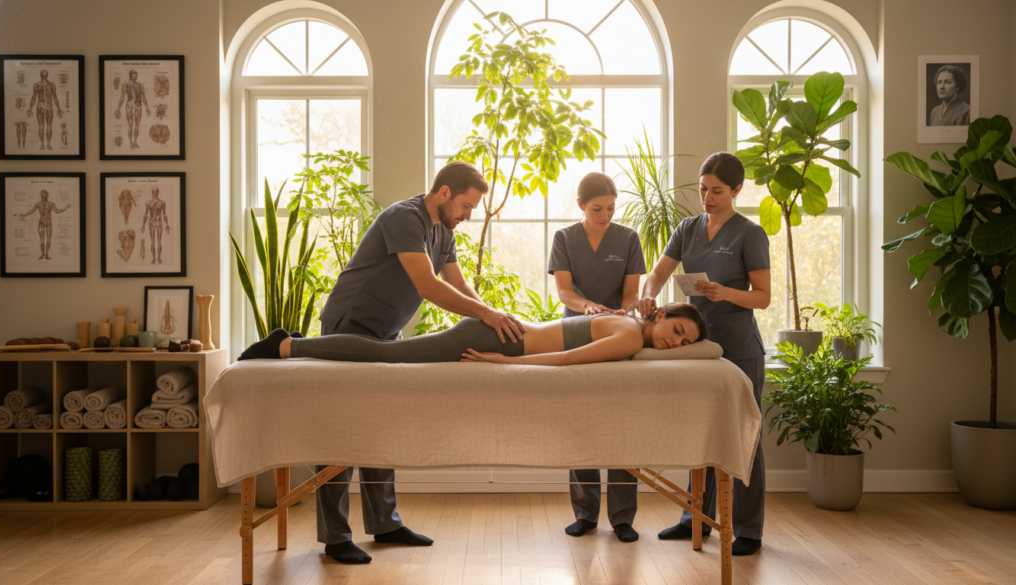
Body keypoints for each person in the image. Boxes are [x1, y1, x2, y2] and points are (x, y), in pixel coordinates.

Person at [247, 161, 526, 565]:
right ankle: (336, 536)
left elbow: (457, 283)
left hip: (387, 332)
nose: (469, 216)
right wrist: (486, 317)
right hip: (350, 324)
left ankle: (385, 522)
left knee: (381, 422)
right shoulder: (404, 217)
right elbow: (428, 286)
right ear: (444, 192)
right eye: (467, 206)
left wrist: (495, 314)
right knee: (338, 429)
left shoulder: (444, 230)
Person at [635, 152, 771, 557]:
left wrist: (724, 292)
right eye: (703, 190)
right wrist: (647, 294)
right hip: (695, 349)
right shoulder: (687, 228)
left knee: (744, 435)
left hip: (739, 348)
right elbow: (658, 272)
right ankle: (696, 519)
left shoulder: (750, 234)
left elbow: (762, 298)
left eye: (717, 192)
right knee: (702, 431)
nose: (707, 198)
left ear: (736, 191)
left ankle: (747, 528)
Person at [548, 172, 646, 543]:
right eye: (596, 209)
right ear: (580, 206)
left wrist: (621, 316)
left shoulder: (628, 239)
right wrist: (588, 306)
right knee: (581, 422)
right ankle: (585, 514)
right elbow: (563, 291)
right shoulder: (565, 238)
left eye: (610, 208)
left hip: (619, 334)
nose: (605, 215)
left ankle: (623, 517)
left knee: (622, 423)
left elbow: (632, 293)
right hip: (576, 333)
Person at [240, 301, 706, 365]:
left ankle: (291, 341)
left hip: (500, 335)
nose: (675, 342)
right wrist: (510, 363)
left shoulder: (626, 322)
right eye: (677, 329)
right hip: (497, 340)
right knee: (386, 355)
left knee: (387, 353)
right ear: (660, 314)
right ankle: (287, 343)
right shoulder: (628, 334)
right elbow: (565, 362)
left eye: (684, 343)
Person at [27, 69, 64, 151]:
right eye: (43, 75)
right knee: (43, 126)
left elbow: (54, 97)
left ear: (45, 76)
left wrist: (58, 108)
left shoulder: (49, 85)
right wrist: (30, 108)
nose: (44, 77)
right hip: (44, 106)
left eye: (44, 75)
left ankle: (46, 144)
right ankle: (44, 144)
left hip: (46, 106)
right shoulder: (40, 85)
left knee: (47, 126)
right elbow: (34, 97)